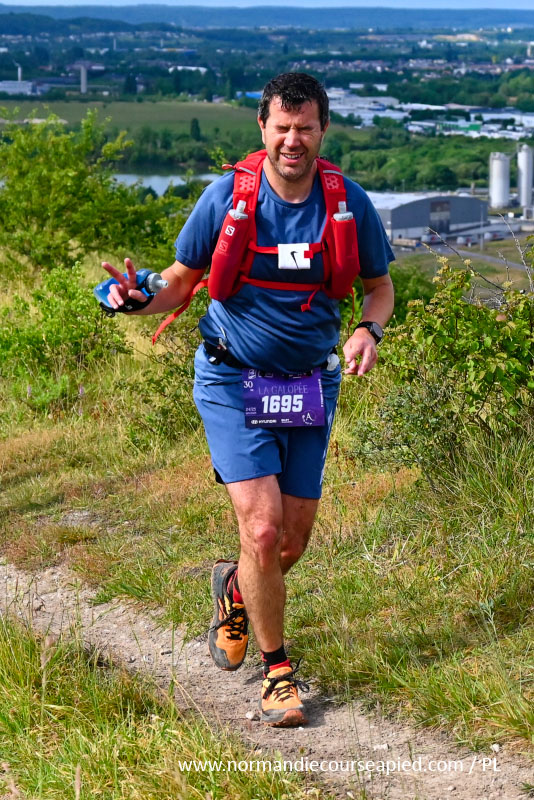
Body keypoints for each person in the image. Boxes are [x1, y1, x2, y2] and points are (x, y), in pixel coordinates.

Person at [101, 72, 394, 728]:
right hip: (233, 379)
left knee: (290, 541)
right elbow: (180, 282)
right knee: (260, 529)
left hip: (308, 382)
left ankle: (235, 589)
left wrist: (368, 331)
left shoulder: (347, 202)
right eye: (282, 128)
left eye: (306, 128)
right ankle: (278, 673)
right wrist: (135, 298)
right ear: (262, 128)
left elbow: (380, 288)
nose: (293, 140)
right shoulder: (227, 197)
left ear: (323, 130)